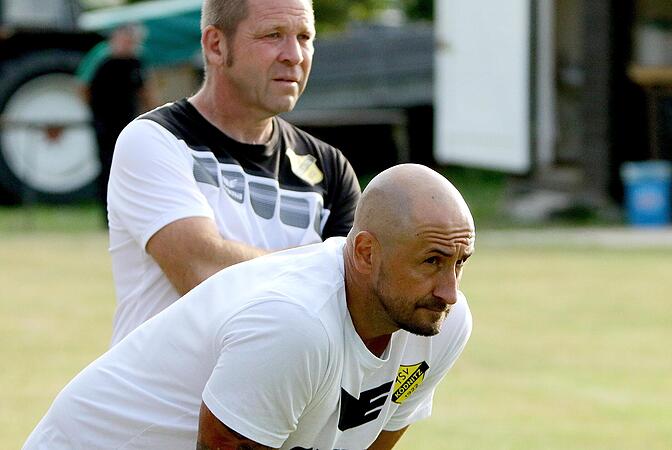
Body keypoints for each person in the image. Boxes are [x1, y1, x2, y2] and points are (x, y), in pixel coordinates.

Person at [23, 164, 475, 450]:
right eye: (431, 262)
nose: (449, 291)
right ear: (364, 253)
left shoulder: (439, 324)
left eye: (460, 263)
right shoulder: (296, 324)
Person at [106, 0, 361, 344]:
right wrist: (325, 270)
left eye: (304, 37)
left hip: (279, 397)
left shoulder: (328, 168)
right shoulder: (155, 140)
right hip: (162, 399)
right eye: (274, 35)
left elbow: (357, 301)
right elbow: (204, 273)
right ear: (216, 45)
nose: (294, 55)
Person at [85, 23, 153, 217]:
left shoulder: (137, 60)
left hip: (128, 122)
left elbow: (144, 89)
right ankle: (106, 212)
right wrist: (94, 111)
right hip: (104, 123)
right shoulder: (101, 57)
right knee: (107, 165)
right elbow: (83, 86)